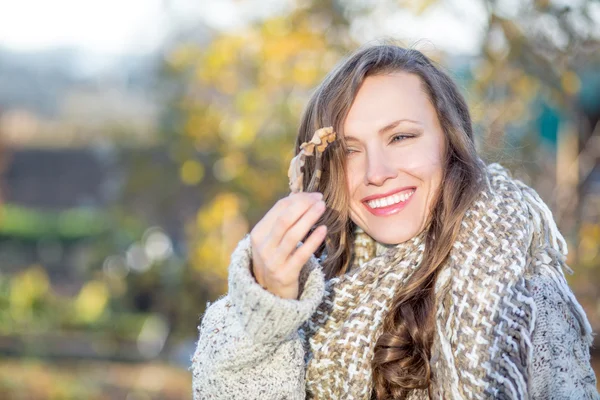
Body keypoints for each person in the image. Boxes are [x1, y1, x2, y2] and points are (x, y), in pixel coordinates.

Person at [190, 44, 600, 399]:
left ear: (450, 143)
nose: (376, 172)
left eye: (401, 137)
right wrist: (269, 316)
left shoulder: (526, 299)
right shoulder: (302, 294)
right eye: (350, 150)